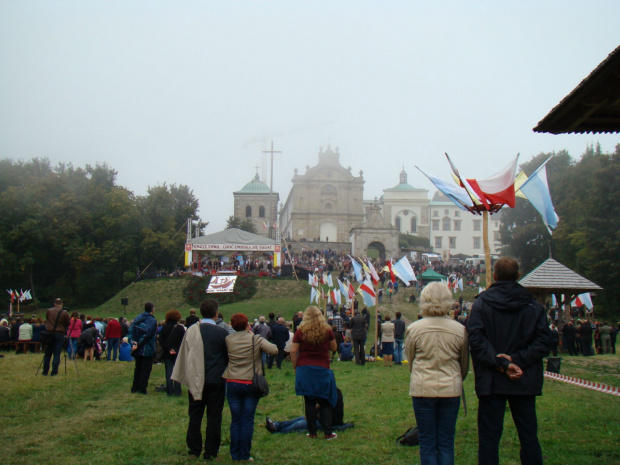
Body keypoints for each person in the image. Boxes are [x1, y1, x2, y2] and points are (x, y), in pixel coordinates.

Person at [467, 257, 551, 465]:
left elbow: (477, 342)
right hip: (522, 378)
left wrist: (504, 363)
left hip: (493, 379)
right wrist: (515, 360)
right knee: (528, 436)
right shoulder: (533, 305)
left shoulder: (481, 304)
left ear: (494, 276)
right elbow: (543, 343)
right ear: (518, 276)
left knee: (489, 439)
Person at [405, 282, 469, 465]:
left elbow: (411, 360)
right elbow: (463, 364)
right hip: (451, 389)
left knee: (427, 442)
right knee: (446, 442)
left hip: (423, 388)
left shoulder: (414, 329)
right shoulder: (459, 330)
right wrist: (456, 378)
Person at [172, 299, 229, 460]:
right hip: (216, 380)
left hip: (196, 378)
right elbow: (226, 357)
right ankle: (211, 451)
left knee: (195, 415)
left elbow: (185, 353)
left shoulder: (191, 330)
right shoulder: (222, 333)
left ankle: (194, 449)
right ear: (216, 314)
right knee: (214, 417)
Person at [222, 313, 278, 461]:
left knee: (236, 420)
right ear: (248, 324)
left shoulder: (228, 339)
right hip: (250, 382)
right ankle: (245, 454)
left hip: (232, 381)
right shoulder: (255, 339)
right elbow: (274, 350)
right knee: (247, 419)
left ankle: (235, 454)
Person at [290, 306, 338, 440]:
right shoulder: (327, 330)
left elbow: (293, 351)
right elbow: (334, 347)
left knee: (309, 401)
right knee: (325, 401)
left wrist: (295, 367)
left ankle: (312, 432)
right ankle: (328, 432)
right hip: (323, 368)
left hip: (305, 369)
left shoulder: (301, 331)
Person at [265, 388, 354, 434]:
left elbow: (324, 411)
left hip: (328, 422)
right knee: (298, 419)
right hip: (322, 419)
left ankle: (278, 430)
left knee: (299, 424)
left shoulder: (331, 394)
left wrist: (313, 414)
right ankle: (277, 425)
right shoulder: (332, 391)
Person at [128, 302, 158, 394]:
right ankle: (142, 388)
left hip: (137, 348)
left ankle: (135, 387)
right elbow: (148, 335)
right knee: (146, 369)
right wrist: (138, 344)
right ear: (152, 309)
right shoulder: (152, 320)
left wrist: (132, 342)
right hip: (146, 348)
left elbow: (131, 330)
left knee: (138, 368)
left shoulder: (138, 317)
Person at [158, 309, 185, 396]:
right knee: (177, 372)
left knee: (169, 372)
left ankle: (169, 391)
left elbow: (161, 340)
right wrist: (176, 350)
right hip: (177, 353)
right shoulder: (180, 328)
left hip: (167, 352)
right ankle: (178, 391)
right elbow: (183, 341)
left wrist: (169, 349)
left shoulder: (164, 328)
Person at [42, 298, 71, 376]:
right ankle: (54, 372)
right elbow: (68, 323)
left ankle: (45, 371)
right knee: (57, 354)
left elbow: (47, 320)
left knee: (48, 353)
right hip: (59, 333)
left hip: (50, 333)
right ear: (61, 304)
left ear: (54, 304)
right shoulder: (64, 312)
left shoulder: (49, 311)